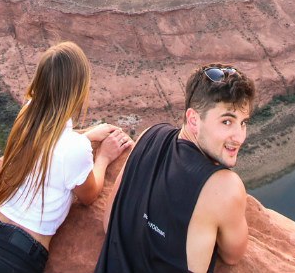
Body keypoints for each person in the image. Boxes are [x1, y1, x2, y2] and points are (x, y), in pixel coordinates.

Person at [0, 41, 134, 273]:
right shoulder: (74, 149)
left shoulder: (28, 113)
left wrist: (86, 135)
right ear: (78, 90)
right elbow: (89, 195)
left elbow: (50, 139)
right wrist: (103, 157)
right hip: (14, 257)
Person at [95, 64, 255, 273]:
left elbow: (109, 222)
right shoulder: (225, 187)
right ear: (193, 120)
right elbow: (233, 255)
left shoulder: (149, 136)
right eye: (227, 122)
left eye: (243, 123)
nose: (240, 136)